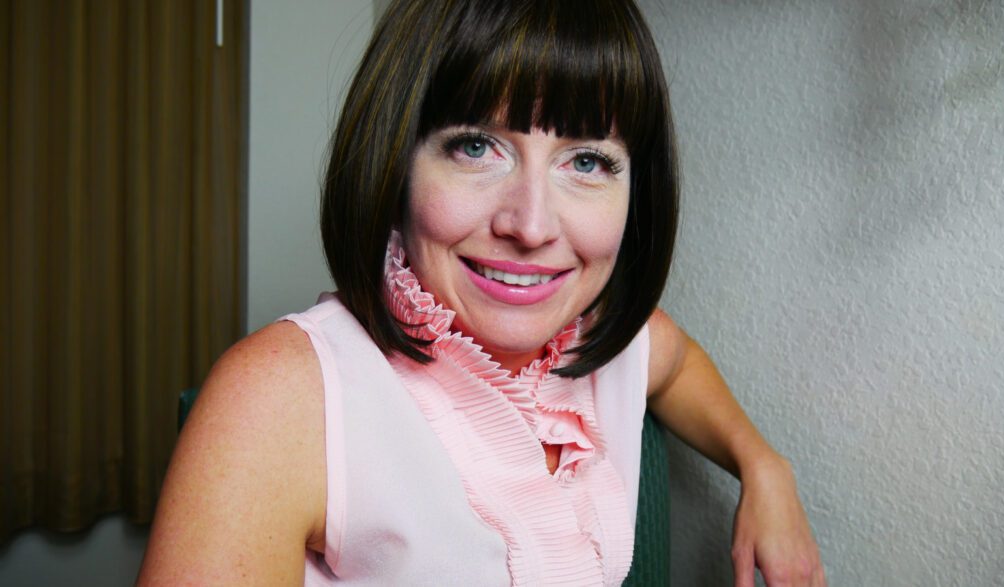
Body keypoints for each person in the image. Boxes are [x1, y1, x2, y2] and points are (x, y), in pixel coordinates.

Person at [139, 1, 826, 585]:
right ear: (396, 160)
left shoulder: (600, 335)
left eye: (586, 161)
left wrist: (762, 464)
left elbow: (675, 363)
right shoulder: (280, 394)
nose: (529, 225)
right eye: (475, 147)